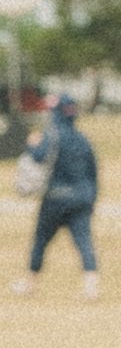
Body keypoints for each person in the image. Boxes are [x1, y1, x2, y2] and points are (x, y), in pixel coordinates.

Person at [11, 95, 101, 301]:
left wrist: (31, 144)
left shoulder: (52, 135)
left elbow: (38, 156)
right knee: (84, 241)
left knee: (41, 240)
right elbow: (93, 172)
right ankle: (91, 284)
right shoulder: (83, 139)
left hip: (55, 198)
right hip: (82, 198)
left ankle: (30, 282)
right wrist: (91, 198)